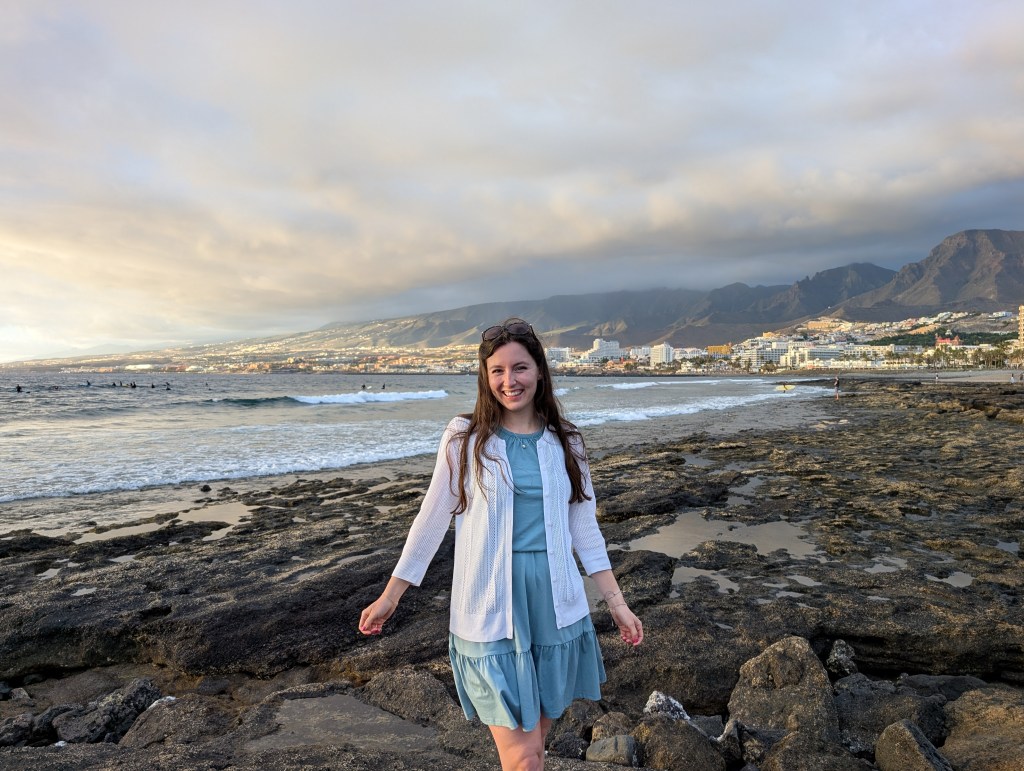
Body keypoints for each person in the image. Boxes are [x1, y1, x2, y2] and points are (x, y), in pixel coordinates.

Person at [359, 318, 643, 771]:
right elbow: (430, 521)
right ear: (485, 376)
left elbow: (584, 531)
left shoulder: (566, 442)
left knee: (536, 750)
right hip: (490, 606)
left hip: (556, 602)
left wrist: (617, 604)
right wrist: (391, 596)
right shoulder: (465, 438)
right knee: (523, 756)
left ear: (539, 372)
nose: (509, 381)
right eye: (497, 371)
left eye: (520, 368)